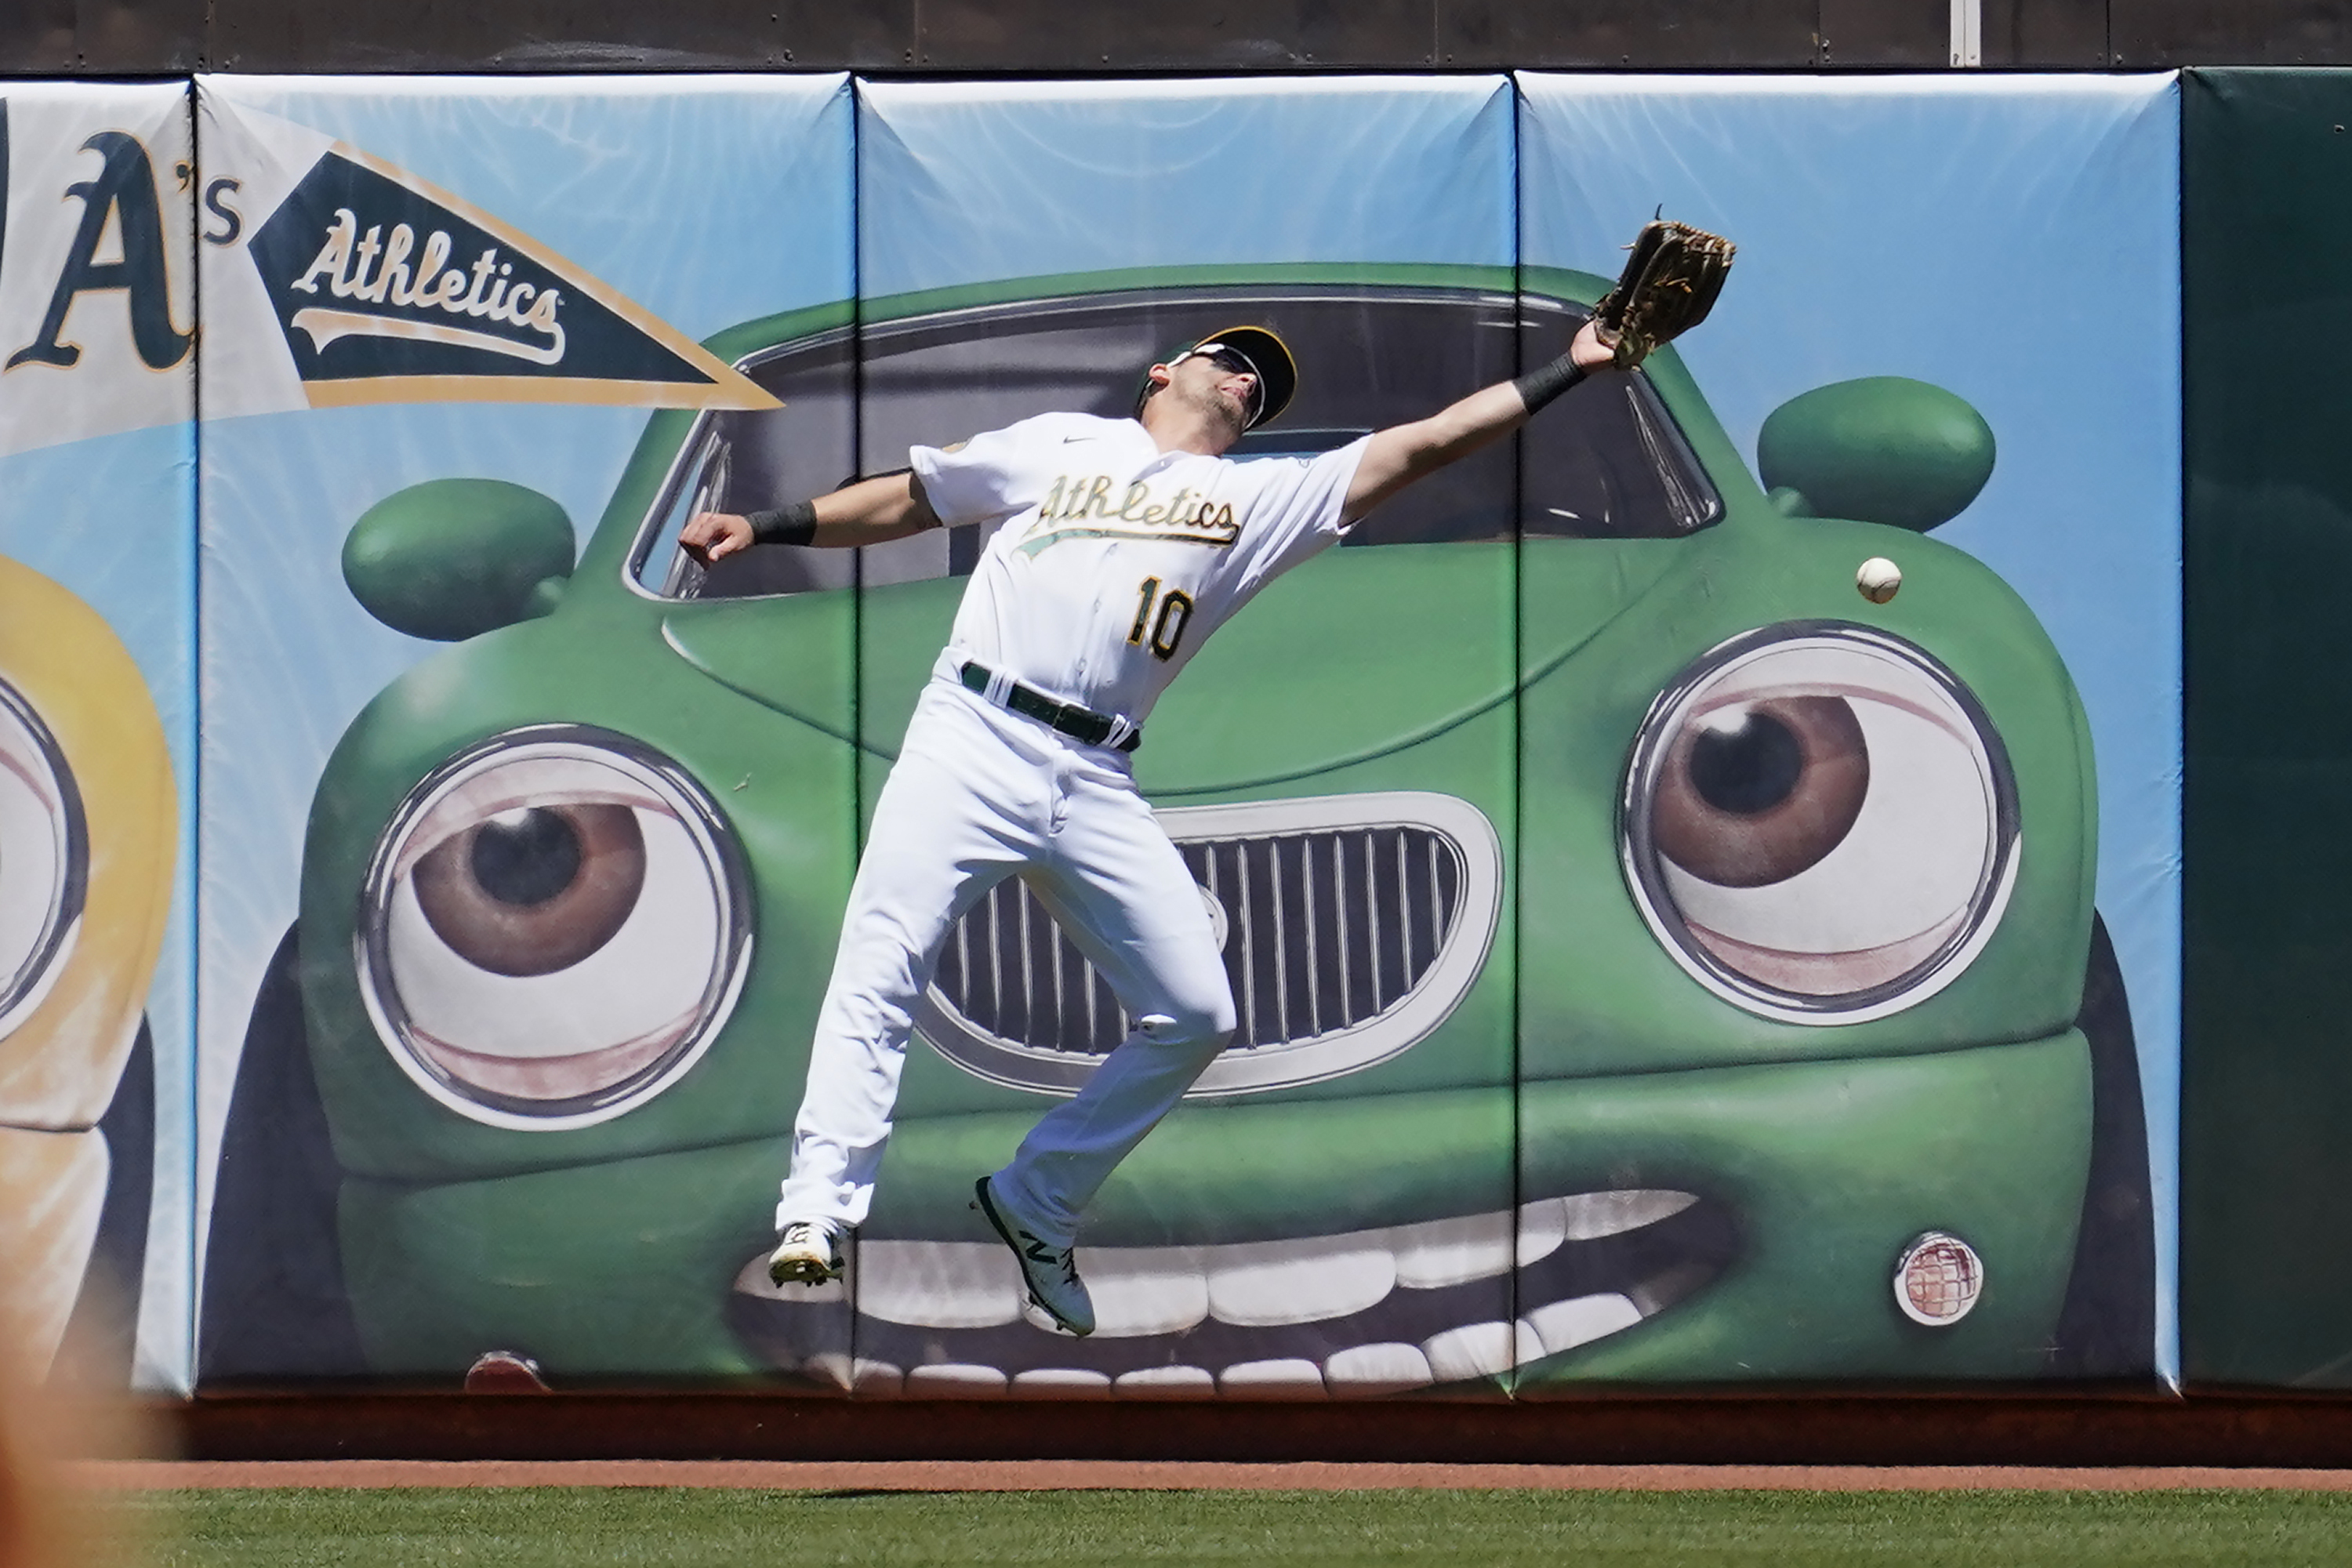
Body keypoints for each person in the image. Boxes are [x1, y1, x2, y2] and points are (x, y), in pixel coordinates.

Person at [681, 316, 1620, 1336]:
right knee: (884, 958)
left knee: (1198, 1012)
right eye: (1234, 360)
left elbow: (1426, 442)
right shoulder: (1061, 445)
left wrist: (1568, 367)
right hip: (974, 725)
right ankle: (817, 1209)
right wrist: (767, 525)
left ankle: (1038, 1195)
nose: (1249, 380)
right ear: (1166, 373)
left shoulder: (1259, 498)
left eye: (1265, 384)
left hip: (1093, 769)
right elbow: (911, 499)